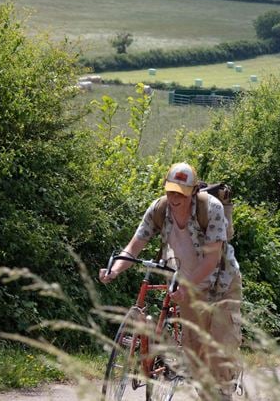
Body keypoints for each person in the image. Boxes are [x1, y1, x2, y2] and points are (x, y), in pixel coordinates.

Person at [99, 162, 242, 401]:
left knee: (219, 349)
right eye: (170, 190)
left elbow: (211, 259)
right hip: (187, 285)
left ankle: (223, 393)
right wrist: (114, 270)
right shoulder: (159, 209)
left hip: (222, 285)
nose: (174, 197)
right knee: (194, 353)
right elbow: (135, 245)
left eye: (181, 192)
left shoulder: (212, 208)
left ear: (194, 191)